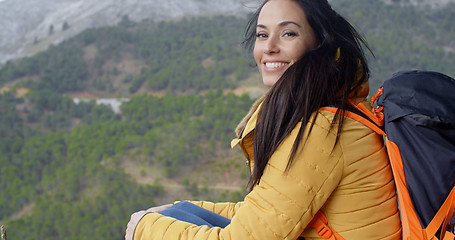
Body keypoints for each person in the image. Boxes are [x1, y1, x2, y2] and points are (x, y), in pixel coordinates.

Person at [125, 0, 402, 239]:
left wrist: (143, 228)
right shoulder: (328, 111)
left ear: (321, 42)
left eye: (288, 33)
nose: (269, 47)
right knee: (179, 212)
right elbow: (260, 212)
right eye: (261, 35)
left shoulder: (321, 130)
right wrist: (173, 210)